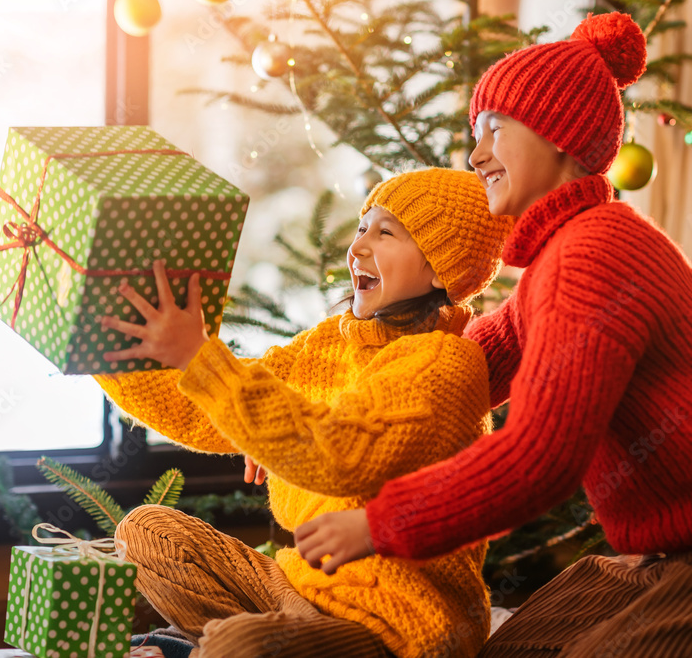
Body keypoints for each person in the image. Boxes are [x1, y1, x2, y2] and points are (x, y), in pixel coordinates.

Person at [295, 12, 692, 657]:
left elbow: (541, 456)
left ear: (558, 137)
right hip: (670, 548)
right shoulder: (562, 258)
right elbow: (453, 372)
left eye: (496, 128)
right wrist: (301, 423)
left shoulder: (594, 255)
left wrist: (380, 523)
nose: (476, 155)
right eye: (476, 132)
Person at [93, 168, 514, 658]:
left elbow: (341, 453)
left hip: (396, 623)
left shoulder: (443, 364)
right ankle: (211, 647)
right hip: (302, 589)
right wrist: (98, 343)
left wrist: (202, 359)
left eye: (385, 232)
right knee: (147, 532)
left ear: (442, 269)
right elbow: (200, 413)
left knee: (239, 647)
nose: (358, 248)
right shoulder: (328, 344)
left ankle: (207, 648)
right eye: (361, 228)